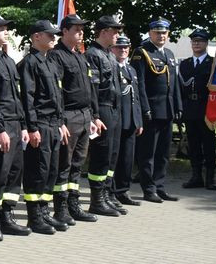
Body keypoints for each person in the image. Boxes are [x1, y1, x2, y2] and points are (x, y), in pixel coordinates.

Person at [48, 14, 103, 225]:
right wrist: (60, 121)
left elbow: (89, 90)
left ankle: (73, 205)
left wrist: (93, 116)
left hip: (83, 115)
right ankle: (60, 209)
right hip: (68, 117)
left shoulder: (80, 56)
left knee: (77, 164)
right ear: (65, 32)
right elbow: (57, 93)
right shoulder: (56, 56)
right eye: (77, 29)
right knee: (64, 164)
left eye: (83, 29)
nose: (81, 33)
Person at [0, 14, 31, 239]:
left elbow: (17, 97)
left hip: (15, 123)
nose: (6, 32)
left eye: (7, 29)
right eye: (1, 29)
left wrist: (22, 125)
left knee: (14, 173)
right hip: (1, 125)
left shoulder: (9, 61)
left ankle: (7, 217)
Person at [17, 20, 67, 234]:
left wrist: (62, 123)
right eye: (49, 34)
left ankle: (44, 212)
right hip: (40, 125)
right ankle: (34, 216)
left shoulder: (50, 62)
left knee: (51, 170)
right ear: (36, 36)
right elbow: (27, 98)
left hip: (54, 124)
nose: (54, 37)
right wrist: (32, 127)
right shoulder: (30, 63)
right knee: (38, 170)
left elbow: (58, 96)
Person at [131, 17, 182, 202]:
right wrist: (145, 109)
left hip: (167, 110)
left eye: (164, 33)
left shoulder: (169, 53)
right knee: (148, 153)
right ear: (150, 33)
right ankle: (148, 189)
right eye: (157, 32)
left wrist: (178, 106)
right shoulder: (142, 52)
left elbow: (174, 84)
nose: (161, 36)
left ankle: (160, 186)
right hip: (151, 111)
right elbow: (140, 85)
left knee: (163, 153)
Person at [84, 15, 126, 216]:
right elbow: (93, 89)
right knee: (101, 155)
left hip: (115, 109)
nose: (118, 35)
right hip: (103, 108)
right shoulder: (93, 54)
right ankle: (97, 199)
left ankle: (108, 193)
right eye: (115, 31)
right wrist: (95, 115)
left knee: (112, 155)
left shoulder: (108, 54)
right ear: (103, 32)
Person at [179, 29, 216, 191]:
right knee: (193, 144)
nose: (196, 44)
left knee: (208, 144)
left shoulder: (213, 63)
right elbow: (180, 88)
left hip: (207, 108)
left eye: (200, 41)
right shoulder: (185, 64)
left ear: (206, 43)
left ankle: (210, 178)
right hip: (190, 108)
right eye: (194, 41)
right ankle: (196, 176)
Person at [111, 36, 145, 206]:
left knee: (127, 159)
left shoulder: (131, 69)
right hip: (116, 121)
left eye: (125, 47)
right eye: (119, 47)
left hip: (131, 121)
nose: (123, 50)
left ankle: (123, 191)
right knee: (114, 158)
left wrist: (138, 120)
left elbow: (136, 96)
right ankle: (111, 191)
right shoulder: (111, 68)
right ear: (112, 49)